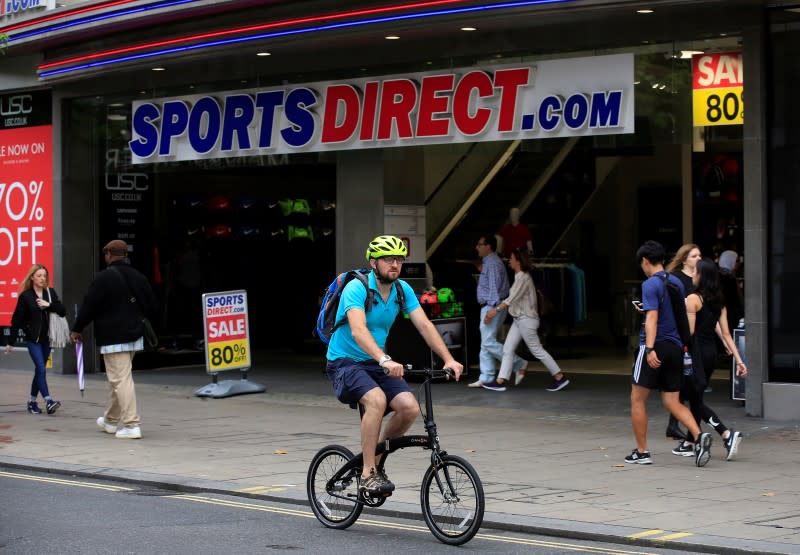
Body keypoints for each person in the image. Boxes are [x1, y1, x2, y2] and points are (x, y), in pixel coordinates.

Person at [325, 235, 463, 497]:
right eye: (389, 259)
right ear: (373, 262)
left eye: (399, 259)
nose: (395, 265)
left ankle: (375, 458)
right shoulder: (357, 288)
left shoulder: (402, 290)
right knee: (376, 400)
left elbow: (424, 325)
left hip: (375, 362)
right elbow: (358, 330)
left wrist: (448, 359)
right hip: (344, 362)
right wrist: (384, 358)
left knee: (409, 408)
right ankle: (367, 474)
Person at [627, 240, 712, 467]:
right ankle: (698, 435)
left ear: (645, 261)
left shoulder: (649, 285)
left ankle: (642, 452)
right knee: (672, 400)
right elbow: (672, 313)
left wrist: (651, 348)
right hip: (676, 346)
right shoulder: (675, 281)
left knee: (637, 398)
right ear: (663, 259)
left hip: (656, 345)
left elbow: (653, 318)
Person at [70, 240, 158, 440]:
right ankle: (110, 421)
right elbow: (152, 306)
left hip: (112, 337)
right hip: (134, 334)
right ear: (125, 255)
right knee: (118, 380)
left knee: (121, 380)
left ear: (109, 254)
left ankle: (131, 424)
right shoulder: (139, 276)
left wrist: (77, 328)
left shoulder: (103, 278)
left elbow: (88, 306)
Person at [670, 258, 747, 461]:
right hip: (711, 353)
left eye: (696, 271)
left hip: (696, 355)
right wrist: (739, 360)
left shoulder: (693, 299)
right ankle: (690, 441)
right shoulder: (718, 301)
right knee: (697, 397)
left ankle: (726, 434)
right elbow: (726, 334)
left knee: (694, 401)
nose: (693, 274)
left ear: (701, 276)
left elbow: (689, 333)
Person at [483, 248, 569, 392]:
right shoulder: (520, 277)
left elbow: (510, 299)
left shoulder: (523, 277)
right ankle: (500, 381)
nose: (509, 261)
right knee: (508, 349)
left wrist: (494, 311)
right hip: (520, 320)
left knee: (536, 350)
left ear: (518, 261)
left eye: (511, 259)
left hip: (526, 320)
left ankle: (559, 376)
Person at [5, 264, 65, 415]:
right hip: (33, 340)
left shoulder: (50, 293)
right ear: (32, 277)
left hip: (47, 339)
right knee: (41, 368)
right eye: (39, 276)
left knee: (40, 370)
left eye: (44, 276)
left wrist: (48, 305)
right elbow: (16, 320)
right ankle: (49, 401)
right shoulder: (26, 297)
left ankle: (32, 402)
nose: (42, 278)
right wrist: (11, 342)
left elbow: (62, 311)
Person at [468, 234, 526, 389]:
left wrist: (491, 310)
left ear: (489, 246)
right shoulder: (491, 262)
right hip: (490, 306)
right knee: (485, 342)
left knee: (487, 342)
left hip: (491, 306)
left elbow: (494, 288)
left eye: (480, 244)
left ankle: (517, 362)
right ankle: (486, 376)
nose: (477, 247)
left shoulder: (492, 263)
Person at [663, 242, 702, 439]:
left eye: (699, 256)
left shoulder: (699, 280)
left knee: (685, 382)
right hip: (680, 335)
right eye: (694, 256)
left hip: (695, 337)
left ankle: (674, 424)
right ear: (684, 258)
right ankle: (674, 424)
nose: (698, 259)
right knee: (680, 381)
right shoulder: (677, 279)